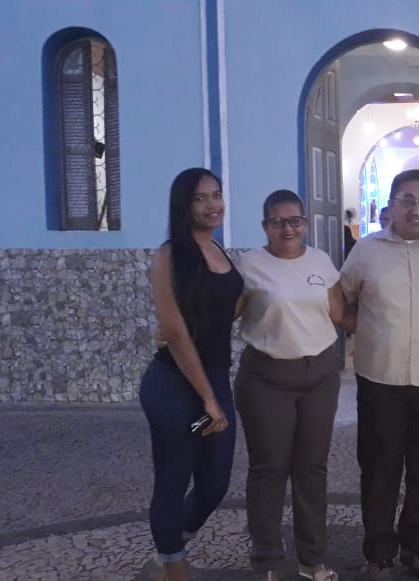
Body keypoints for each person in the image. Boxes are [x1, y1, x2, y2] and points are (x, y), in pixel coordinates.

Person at [339, 169, 419, 581]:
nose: (416, 209)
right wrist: (366, 330)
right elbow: (341, 299)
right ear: (391, 205)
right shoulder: (366, 251)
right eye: (407, 200)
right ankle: (379, 554)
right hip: (380, 379)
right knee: (380, 467)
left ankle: (416, 546)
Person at [232, 190, 347, 581]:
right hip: (266, 379)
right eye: (277, 222)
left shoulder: (320, 261)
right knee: (269, 469)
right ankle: (267, 561)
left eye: (295, 221)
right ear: (265, 226)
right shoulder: (249, 265)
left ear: (305, 224)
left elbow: (339, 312)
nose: (287, 229)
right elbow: (224, 312)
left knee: (312, 468)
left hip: (319, 376)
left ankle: (312, 560)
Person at [140, 168, 241, 581]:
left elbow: (226, 308)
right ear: (184, 205)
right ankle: (173, 567)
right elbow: (177, 334)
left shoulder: (218, 250)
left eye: (216, 195)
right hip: (176, 387)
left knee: (214, 483)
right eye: (201, 198)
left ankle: (167, 549)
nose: (213, 204)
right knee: (173, 478)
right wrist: (209, 401)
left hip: (214, 379)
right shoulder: (169, 256)